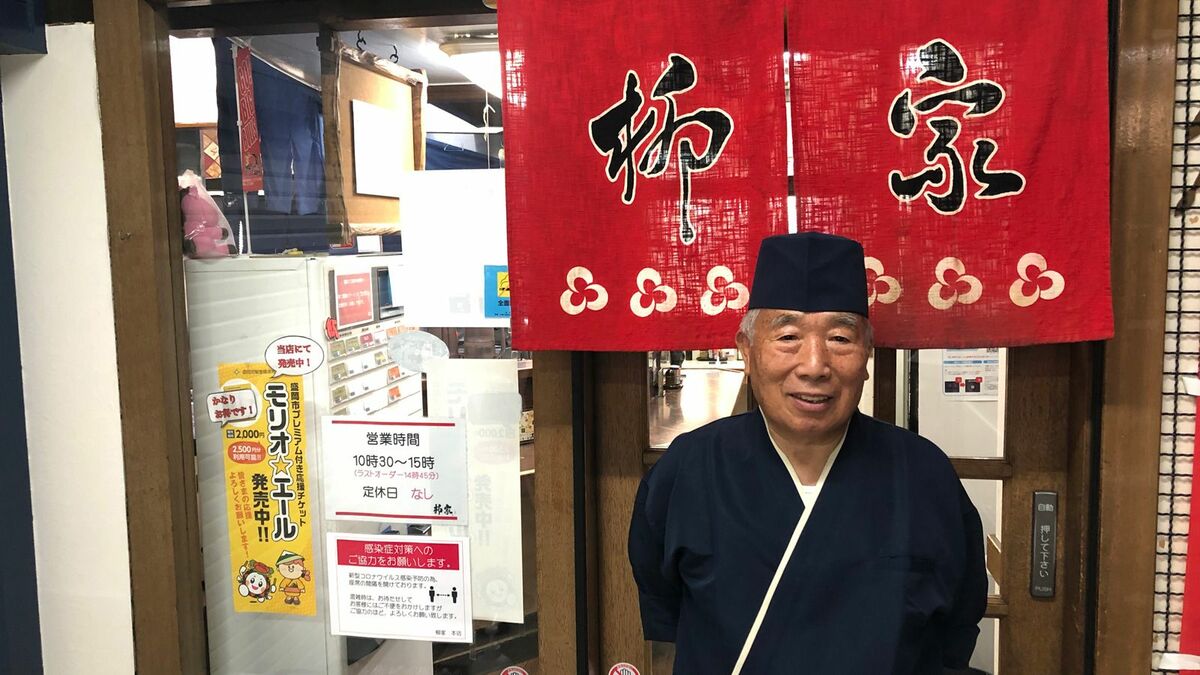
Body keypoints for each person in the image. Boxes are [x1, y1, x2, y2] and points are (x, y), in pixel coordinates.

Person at [628, 232, 987, 674]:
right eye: (788, 336)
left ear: (867, 354)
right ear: (746, 351)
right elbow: (666, 608)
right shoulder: (688, 468)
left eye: (840, 338)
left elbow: (956, 621)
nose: (815, 365)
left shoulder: (924, 475)